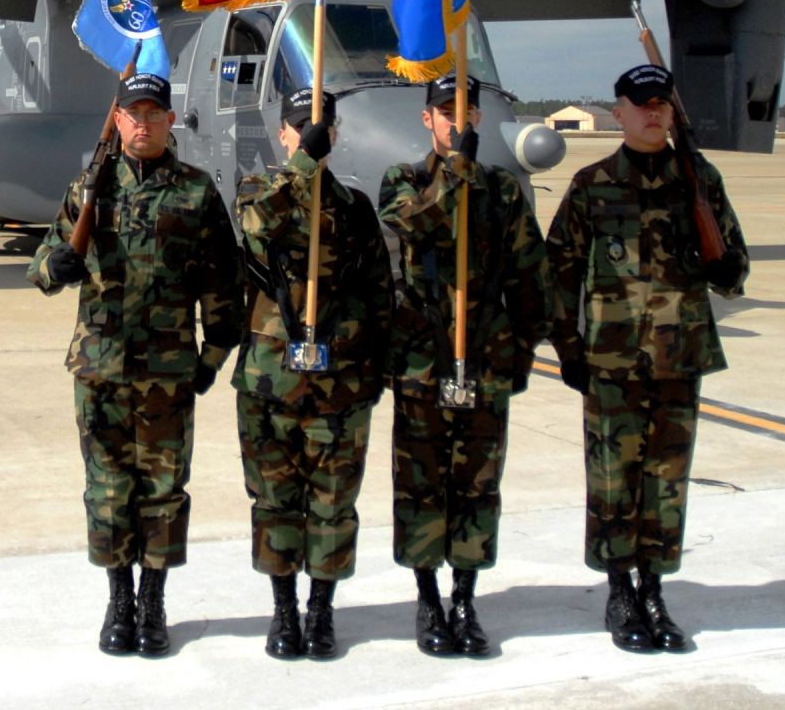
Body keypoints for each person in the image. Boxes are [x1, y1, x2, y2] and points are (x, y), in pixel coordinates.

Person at [27, 72, 243, 658]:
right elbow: (45, 258)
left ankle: (153, 601)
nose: (142, 123)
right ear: (117, 120)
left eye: (153, 113)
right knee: (106, 491)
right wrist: (56, 270)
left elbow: (224, 289)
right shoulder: (89, 187)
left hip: (166, 375)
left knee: (164, 492)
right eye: (132, 113)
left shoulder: (197, 194)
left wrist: (210, 361)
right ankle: (118, 598)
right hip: (98, 369)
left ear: (171, 121)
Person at [545, 63, 750, 653]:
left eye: (662, 103)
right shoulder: (592, 183)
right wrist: (569, 347)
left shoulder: (699, 179)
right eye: (642, 104)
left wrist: (726, 270)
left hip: (680, 358)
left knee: (667, 483)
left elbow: (735, 264)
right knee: (613, 482)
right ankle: (619, 592)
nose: (654, 112)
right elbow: (559, 271)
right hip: (613, 361)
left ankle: (655, 591)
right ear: (620, 113)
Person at [377, 72, 553, 657]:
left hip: (482, 357)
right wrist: (456, 176)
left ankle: (466, 597)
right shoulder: (403, 180)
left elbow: (531, 277)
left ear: (476, 119)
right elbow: (416, 223)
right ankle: (427, 599)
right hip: (423, 358)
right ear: (427, 120)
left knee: (477, 485)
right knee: (421, 483)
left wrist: (522, 351)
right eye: (444, 112)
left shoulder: (502, 191)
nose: (457, 121)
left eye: (465, 112)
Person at [232, 87, 390, 660]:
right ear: (283, 135)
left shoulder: (353, 208)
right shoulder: (259, 192)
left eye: (322, 129)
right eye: (301, 127)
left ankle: (320, 611)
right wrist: (301, 166)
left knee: (332, 503)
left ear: (337, 135)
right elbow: (253, 228)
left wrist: (377, 370)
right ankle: (282, 610)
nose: (312, 136)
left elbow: (378, 294)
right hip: (270, 382)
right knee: (274, 501)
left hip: (340, 383)